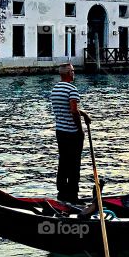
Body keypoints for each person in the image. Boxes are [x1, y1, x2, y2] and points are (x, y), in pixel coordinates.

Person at [49, 63, 90, 204]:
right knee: (74, 164)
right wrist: (80, 130)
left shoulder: (55, 89)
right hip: (72, 133)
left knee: (63, 162)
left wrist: (84, 114)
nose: (74, 73)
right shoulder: (72, 89)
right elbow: (73, 111)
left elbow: (66, 108)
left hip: (60, 131)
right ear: (68, 73)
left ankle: (62, 192)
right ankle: (73, 195)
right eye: (73, 71)